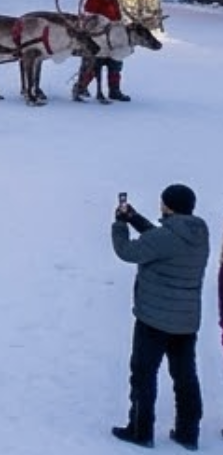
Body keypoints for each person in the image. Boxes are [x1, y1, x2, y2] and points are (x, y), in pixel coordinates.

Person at [111, 183, 209, 447]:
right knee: (185, 376)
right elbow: (162, 240)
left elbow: (127, 251)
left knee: (143, 374)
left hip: (154, 319)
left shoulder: (166, 238)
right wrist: (134, 218)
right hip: (186, 321)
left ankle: (140, 431)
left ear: (168, 207)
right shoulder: (199, 232)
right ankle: (188, 433)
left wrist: (120, 224)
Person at [76, 0, 130, 103]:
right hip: (97, 37)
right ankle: (81, 87)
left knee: (115, 62)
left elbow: (117, 15)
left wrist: (119, 25)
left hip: (113, 37)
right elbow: (89, 13)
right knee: (93, 64)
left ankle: (114, 90)